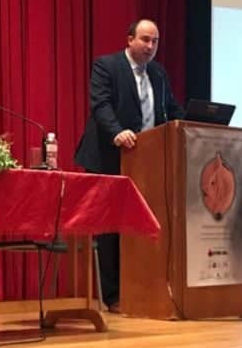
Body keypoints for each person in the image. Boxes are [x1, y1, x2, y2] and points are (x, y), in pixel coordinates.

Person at [74, 19, 184, 313]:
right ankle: (112, 296)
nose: (150, 46)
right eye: (145, 40)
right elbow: (101, 105)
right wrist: (117, 131)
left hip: (147, 162)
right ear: (130, 40)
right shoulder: (106, 66)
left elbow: (171, 109)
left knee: (142, 225)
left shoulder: (158, 73)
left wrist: (191, 125)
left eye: (155, 41)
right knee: (109, 229)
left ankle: (143, 289)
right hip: (108, 157)